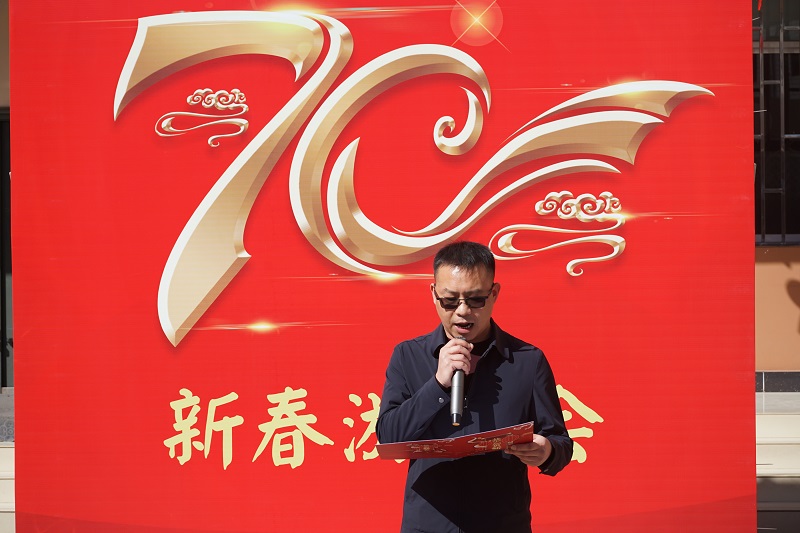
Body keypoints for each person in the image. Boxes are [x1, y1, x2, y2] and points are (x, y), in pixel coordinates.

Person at [376, 241, 573, 533]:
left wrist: (547, 452)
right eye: (450, 300)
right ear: (433, 294)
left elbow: (560, 442)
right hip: (428, 525)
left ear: (494, 293)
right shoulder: (408, 355)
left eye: (476, 299)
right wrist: (438, 384)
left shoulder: (527, 360)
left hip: (502, 524)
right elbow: (389, 437)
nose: (463, 311)